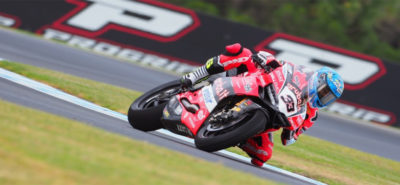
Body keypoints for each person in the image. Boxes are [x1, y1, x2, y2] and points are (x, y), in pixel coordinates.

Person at [180, 43, 344, 166]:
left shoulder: (311, 115)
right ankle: (195, 76)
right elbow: (279, 64)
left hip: (271, 113)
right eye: (324, 91)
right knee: (240, 52)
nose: (323, 97)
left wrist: (290, 133)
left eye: (328, 97)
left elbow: (291, 138)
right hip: (256, 83)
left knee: (263, 155)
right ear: (317, 80)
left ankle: (233, 131)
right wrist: (268, 60)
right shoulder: (300, 73)